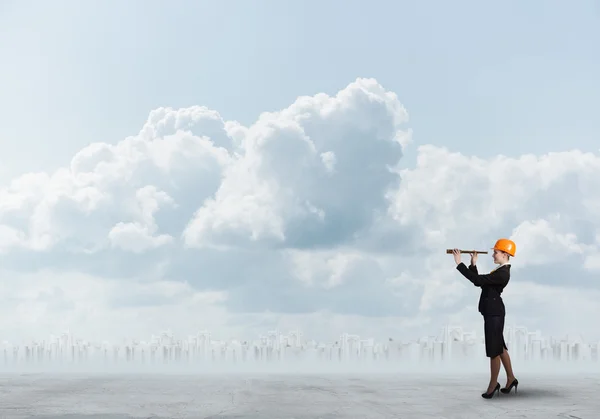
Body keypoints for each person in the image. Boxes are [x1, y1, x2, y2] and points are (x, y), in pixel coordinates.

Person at [452, 239, 519, 399]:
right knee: (500, 347)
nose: (493, 255)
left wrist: (459, 264)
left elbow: (477, 280)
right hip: (493, 312)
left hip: (494, 314)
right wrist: (473, 264)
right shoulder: (499, 271)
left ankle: (493, 385)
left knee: (493, 350)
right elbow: (480, 283)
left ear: (505, 254)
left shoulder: (503, 273)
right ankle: (511, 379)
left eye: (496, 252)